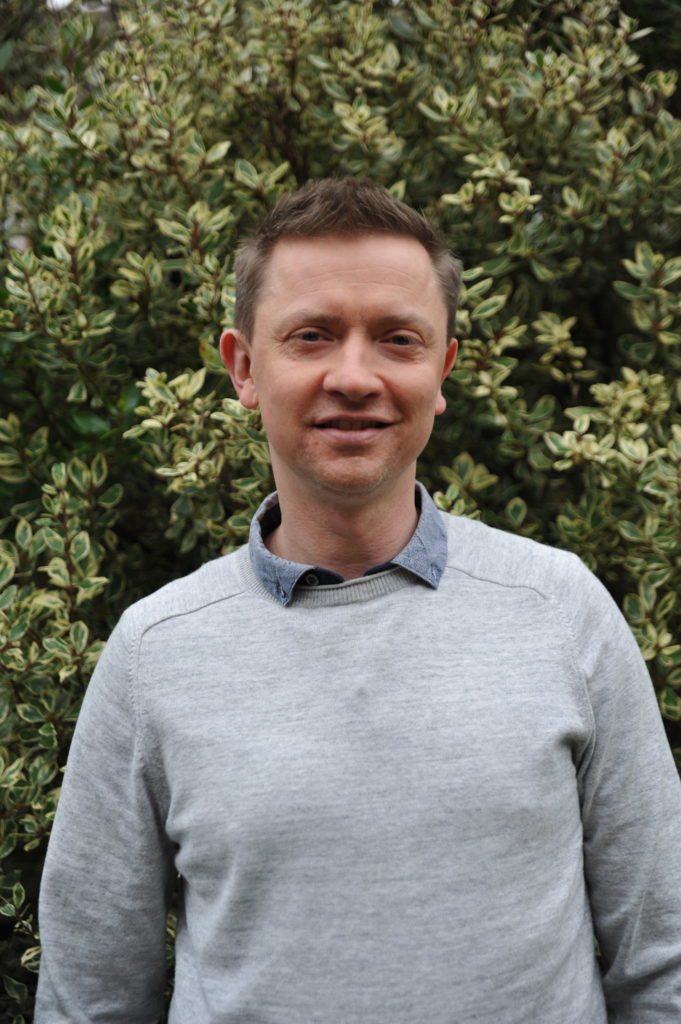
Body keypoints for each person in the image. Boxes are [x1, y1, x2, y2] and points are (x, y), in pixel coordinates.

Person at [35, 178, 681, 1023]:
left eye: (396, 339)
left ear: (441, 370)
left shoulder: (560, 612)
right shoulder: (154, 651)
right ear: (244, 368)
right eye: (311, 336)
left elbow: (665, 959)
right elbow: (88, 997)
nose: (353, 376)